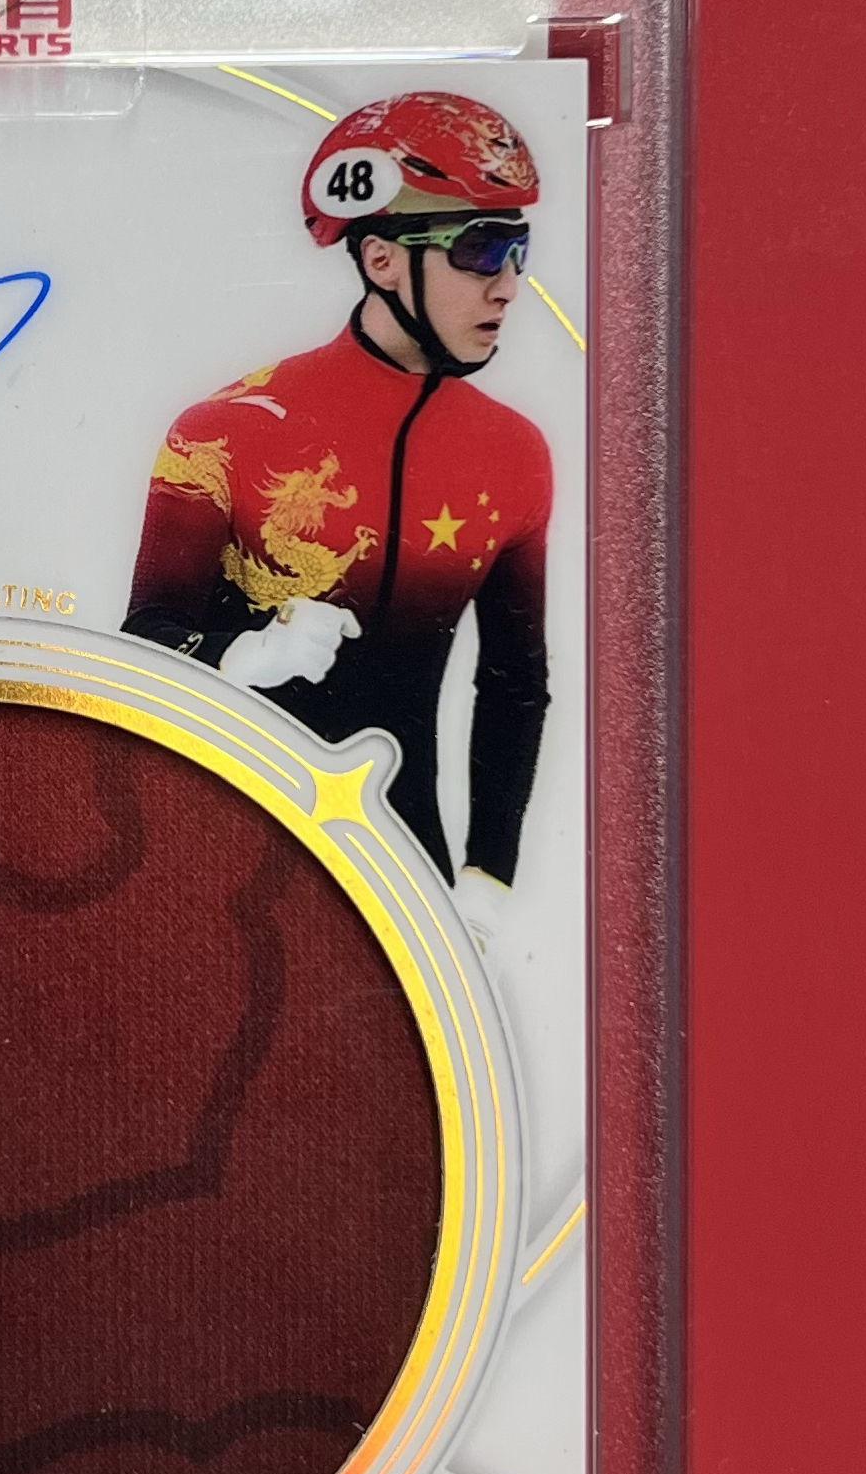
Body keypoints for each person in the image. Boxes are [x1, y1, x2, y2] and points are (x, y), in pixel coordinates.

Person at [124, 92, 552, 923]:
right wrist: (241, 655)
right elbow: (141, 643)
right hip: (216, 850)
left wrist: (486, 878)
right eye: (479, 249)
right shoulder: (223, 431)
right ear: (381, 260)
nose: (507, 286)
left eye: (518, 249)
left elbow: (514, 684)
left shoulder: (515, 452)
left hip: (404, 877)